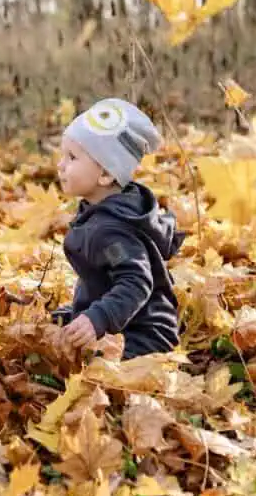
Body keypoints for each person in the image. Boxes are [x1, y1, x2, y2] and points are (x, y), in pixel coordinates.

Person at [52, 98, 184, 359]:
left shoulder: (114, 230)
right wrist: (83, 311)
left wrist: (97, 318)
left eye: (72, 157)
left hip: (145, 335)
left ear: (105, 175)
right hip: (121, 324)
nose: (60, 165)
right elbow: (102, 276)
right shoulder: (99, 210)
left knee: (87, 370)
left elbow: (135, 282)